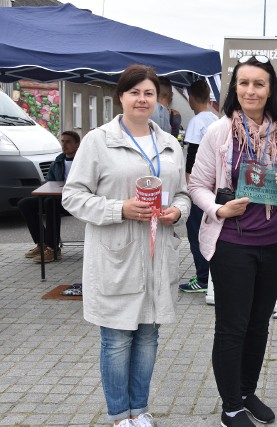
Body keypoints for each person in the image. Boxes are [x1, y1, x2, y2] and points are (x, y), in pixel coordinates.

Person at [62, 64, 190, 427]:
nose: (142, 99)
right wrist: (119, 208)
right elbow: (73, 197)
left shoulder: (168, 144)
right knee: (117, 338)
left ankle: (141, 410)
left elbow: (182, 194)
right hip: (116, 256)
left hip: (157, 253)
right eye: (134, 92)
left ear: (158, 100)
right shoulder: (98, 141)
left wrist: (176, 212)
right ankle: (119, 416)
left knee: (148, 335)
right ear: (121, 96)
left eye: (149, 93)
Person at [189, 55, 277, 427]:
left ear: (270, 89)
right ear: (234, 89)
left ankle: (246, 391)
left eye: (259, 84)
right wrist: (219, 210)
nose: (251, 90)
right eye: (244, 83)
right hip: (233, 246)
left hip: (276, 243)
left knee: (259, 323)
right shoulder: (219, 132)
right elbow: (195, 186)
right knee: (232, 326)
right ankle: (230, 407)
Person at [179, 79, 218, 293]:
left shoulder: (197, 122)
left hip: (199, 187)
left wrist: (188, 185)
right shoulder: (215, 118)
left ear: (192, 98)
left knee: (195, 232)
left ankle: (202, 278)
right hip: (214, 187)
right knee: (210, 231)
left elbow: (192, 155)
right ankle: (209, 275)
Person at [18, 130, 81, 263]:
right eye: (62, 141)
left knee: (50, 202)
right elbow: (49, 183)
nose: (64, 145)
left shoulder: (84, 161)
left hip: (77, 200)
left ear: (77, 144)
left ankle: (53, 249)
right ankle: (42, 244)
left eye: (68, 142)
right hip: (57, 198)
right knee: (25, 204)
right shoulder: (58, 161)